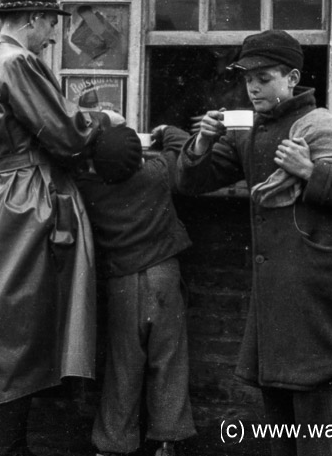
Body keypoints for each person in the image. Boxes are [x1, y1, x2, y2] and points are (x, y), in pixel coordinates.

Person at [176, 30, 332, 456]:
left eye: (264, 77)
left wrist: (312, 173)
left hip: (316, 291)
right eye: (246, 78)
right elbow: (191, 181)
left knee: (319, 411)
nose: (253, 86)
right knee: (278, 403)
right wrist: (201, 143)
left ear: (291, 78)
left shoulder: (320, 126)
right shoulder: (248, 131)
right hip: (275, 293)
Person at [0, 0, 112, 456]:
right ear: (32, 19)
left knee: (5, 324)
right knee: (20, 331)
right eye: (50, 24)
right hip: (29, 202)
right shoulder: (18, 61)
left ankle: (11, 446)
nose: (52, 36)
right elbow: (65, 134)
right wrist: (105, 122)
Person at [73, 123, 197, 456]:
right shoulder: (156, 174)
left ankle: (113, 444)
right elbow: (183, 146)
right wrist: (165, 130)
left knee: (122, 366)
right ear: (140, 158)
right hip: (164, 276)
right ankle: (167, 440)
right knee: (169, 360)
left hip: (123, 284)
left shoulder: (88, 188)